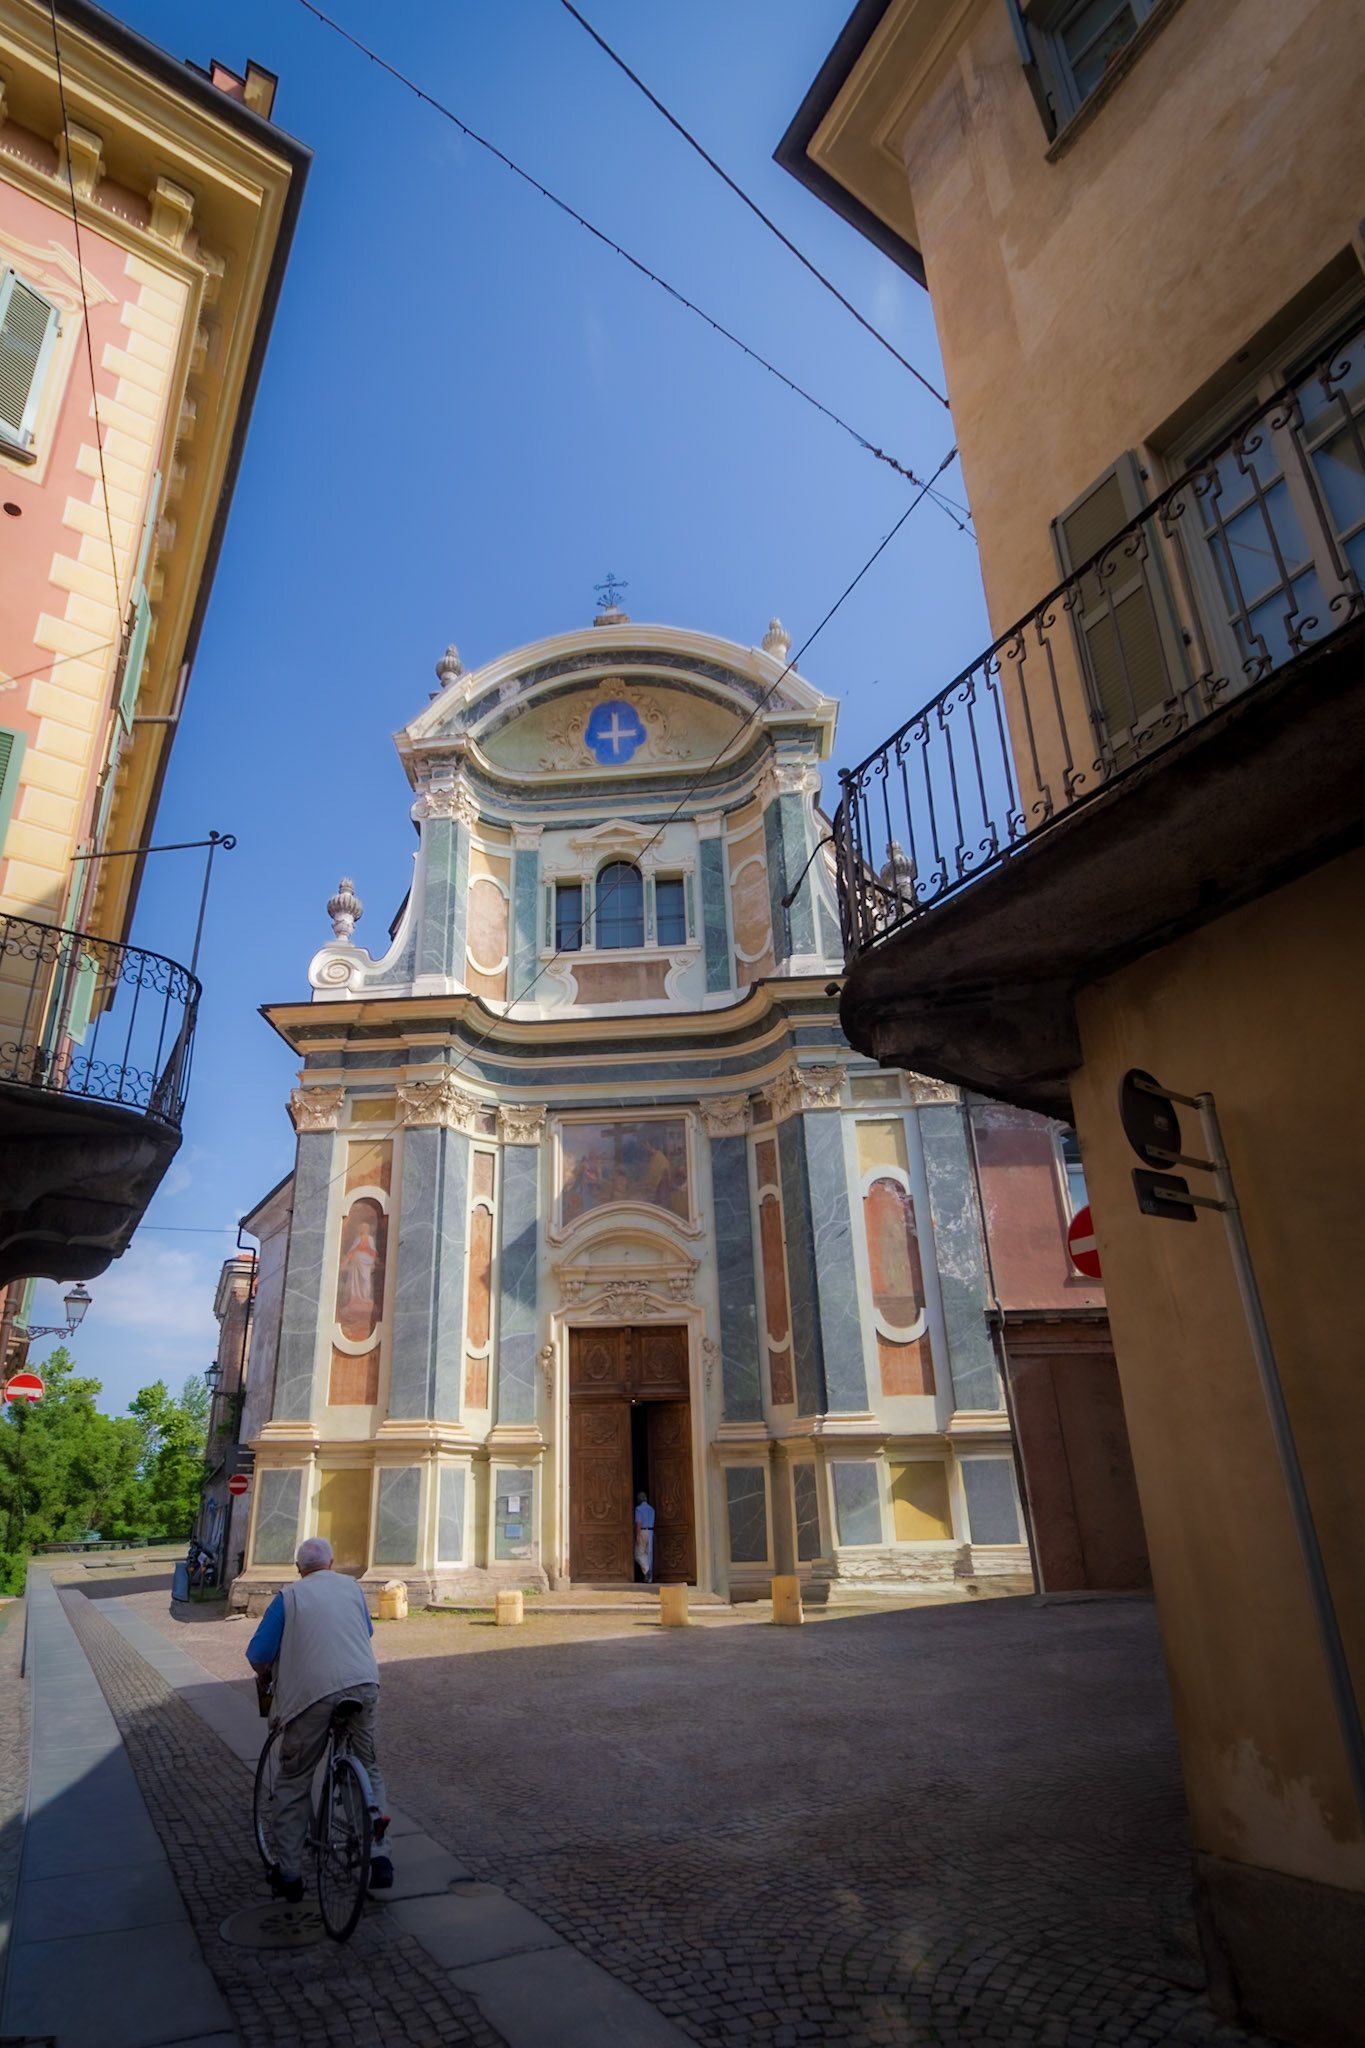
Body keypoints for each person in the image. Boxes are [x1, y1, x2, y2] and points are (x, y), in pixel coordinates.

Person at [246, 1535, 393, 1899]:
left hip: (312, 1696)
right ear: (331, 1563)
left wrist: (267, 1674)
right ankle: (379, 1856)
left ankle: (290, 1873)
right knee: (368, 1765)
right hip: (363, 1684)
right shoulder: (352, 1588)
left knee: (294, 1780)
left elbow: (258, 1655)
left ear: (299, 1568)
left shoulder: (288, 1597)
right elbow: (366, 1631)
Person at [634, 1491, 655, 1583]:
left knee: (638, 1554)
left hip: (643, 1531)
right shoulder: (651, 1509)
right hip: (651, 1532)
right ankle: (650, 1579)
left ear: (639, 1500)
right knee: (648, 1554)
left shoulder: (639, 1509)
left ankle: (646, 1571)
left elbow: (639, 1523)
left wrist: (637, 1535)